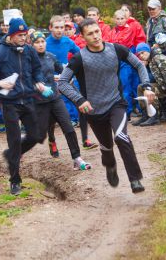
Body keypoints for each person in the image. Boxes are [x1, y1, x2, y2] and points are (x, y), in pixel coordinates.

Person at [58, 19, 154, 193]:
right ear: (83, 37)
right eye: (90, 34)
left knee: (121, 137)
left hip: (116, 103)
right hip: (94, 111)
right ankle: (110, 166)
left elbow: (139, 65)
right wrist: (79, 100)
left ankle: (135, 180)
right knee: (107, 146)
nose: (95, 36)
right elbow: (63, 82)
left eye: (97, 31)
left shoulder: (116, 50)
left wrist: (147, 86)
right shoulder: (80, 58)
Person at [0, 18, 49, 195]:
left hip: (27, 99)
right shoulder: (1, 52)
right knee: (14, 140)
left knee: (37, 135)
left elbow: (37, 70)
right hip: (9, 102)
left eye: (25, 34)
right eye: (20, 35)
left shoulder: (29, 50)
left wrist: (39, 82)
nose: (23, 38)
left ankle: (11, 154)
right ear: (11, 35)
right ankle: (15, 180)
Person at [30, 31, 91, 170]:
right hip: (39, 101)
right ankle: (51, 140)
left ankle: (77, 158)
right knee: (44, 128)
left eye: (42, 42)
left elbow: (63, 70)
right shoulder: (29, 60)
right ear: (32, 45)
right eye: (37, 42)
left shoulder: (50, 57)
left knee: (68, 127)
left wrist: (64, 77)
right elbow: (25, 79)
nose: (40, 45)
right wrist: (37, 86)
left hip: (55, 97)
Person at [46, 15, 97, 149]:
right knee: (52, 115)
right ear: (50, 28)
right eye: (56, 27)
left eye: (62, 27)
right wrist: (51, 77)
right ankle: (51, 139)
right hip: (50, 83)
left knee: (83, 106)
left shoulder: (67, 41)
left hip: (66, 80)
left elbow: (81, 55)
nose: (59, 30)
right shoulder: (44, 43)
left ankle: (85, 140)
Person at [132, 43, 166, 126]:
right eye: (139, 54)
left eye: (143, 52)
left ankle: (154, 116)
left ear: (148, 50)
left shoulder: (158, 59)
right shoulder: (150, 60)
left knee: (150, 88)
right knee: (140, 87)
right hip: (162, 86)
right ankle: (146, 115)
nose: (141, 56)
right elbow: (152, 78)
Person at [109, 9, 141, 118]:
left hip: (126, 60)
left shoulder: (129, 29)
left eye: (122, 18)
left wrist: (113, 44)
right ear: (114, 19)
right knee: (121, 86)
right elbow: (109, 42)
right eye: (117, 19)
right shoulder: (112, 31)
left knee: (128, 85)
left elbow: (122, 42)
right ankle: (127, 110)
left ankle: (129, 111)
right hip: (116, 60)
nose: (120, 21)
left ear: (126, 19)